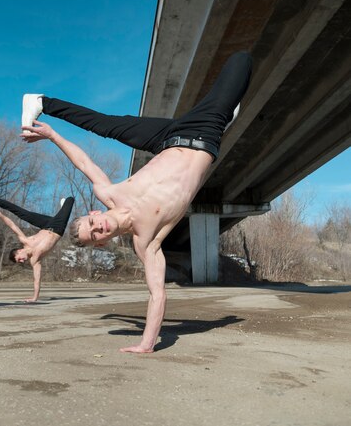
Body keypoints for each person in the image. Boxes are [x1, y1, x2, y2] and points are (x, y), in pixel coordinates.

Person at [20, 51, 252, 353]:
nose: (99, 227)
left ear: (94, 213)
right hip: (206, 132)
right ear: (101, 244)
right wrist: (146, 343)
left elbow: (85, 163)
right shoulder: (147, 242)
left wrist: (52, 136)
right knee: (242, 61)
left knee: (108, 125)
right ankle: (225, 117)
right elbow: (157, 295)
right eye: (96, 235)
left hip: (166, 137)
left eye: (93, 223)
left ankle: (42, 103)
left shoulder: (111, 195)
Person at [0, 195, 74, 302]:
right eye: (20, 262)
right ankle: (63, 208)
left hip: (46, 224)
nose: (22, 261)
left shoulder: (25, 241)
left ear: (19, 251)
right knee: (70, 199)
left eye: (19, 259)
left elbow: (12, 225)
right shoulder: (35, 260)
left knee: (24, 214)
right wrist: (34, 298)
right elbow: (37, 279)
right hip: (58, 227)